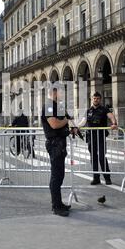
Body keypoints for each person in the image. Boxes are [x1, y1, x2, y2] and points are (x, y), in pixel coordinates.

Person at [41, 87, 75, 217]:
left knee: (60, 175)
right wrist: (67, 120)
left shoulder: (58, 106)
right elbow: (54, 124)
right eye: (61, 92)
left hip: (60, 144)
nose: (62, 94)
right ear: (53, 92)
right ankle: (56, 206)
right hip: (54, 144)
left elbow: (63, 125)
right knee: (56, 176)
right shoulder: (49, 106)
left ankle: (59, 203)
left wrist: (70, 129)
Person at [85, 92, 118, 186]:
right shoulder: (89, 110)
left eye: (98, 98)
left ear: (100, 99)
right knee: (93, 158)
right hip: (91, 137)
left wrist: (114, 123)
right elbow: (84, 120)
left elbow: (111, 116)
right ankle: (96, 178)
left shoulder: (104, 109)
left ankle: (107, 178)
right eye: (94, 98)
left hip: (101, 136)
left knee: (102, 157)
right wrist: (77, 126)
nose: (96, 100)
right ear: (92, 99)